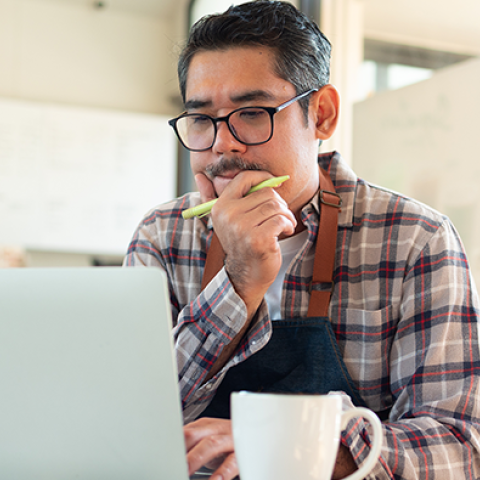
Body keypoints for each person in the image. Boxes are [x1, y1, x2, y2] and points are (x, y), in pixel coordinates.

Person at [123, 1, 480, 478]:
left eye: (251, 113)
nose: (222, 145)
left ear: (324, 115)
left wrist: (289, 444)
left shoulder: (416, 239)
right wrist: (239, 282)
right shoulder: (163, 236)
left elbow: (459, 447)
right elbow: (133, 422)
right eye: (202, 119)